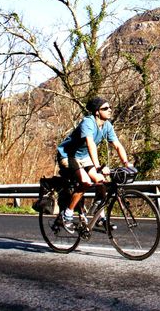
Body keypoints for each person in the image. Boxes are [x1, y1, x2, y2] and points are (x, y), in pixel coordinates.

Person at [56, 96, 133, 232]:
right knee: (85, 181)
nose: (110, 110)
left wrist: (127, 164)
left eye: (110, 107)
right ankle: (67, 215)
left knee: (101, 181)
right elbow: (91, 144)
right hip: (68, 155)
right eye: (105, 108)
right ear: (97, 112)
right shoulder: (88, 122)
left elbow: (117, 145)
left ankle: (99, 214)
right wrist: (97, 167)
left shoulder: (107, 125)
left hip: (84, 157)